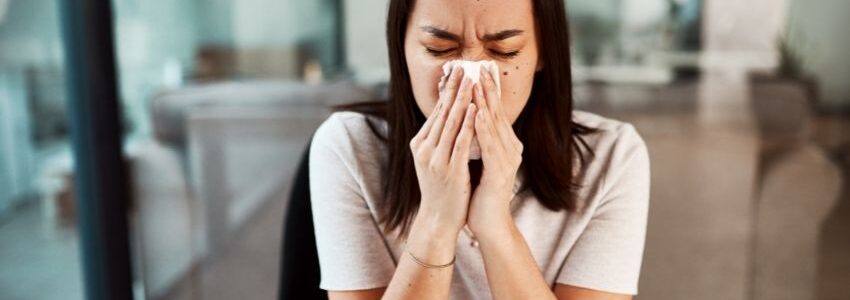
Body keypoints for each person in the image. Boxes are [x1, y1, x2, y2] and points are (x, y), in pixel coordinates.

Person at [309, 0, 650, 299]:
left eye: (505, 51)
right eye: (438, 48)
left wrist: (495, 226)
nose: (469, 84)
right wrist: (436, 223)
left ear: (543, 52)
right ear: (402, 48)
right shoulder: (349, 147)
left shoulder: (612, 157)